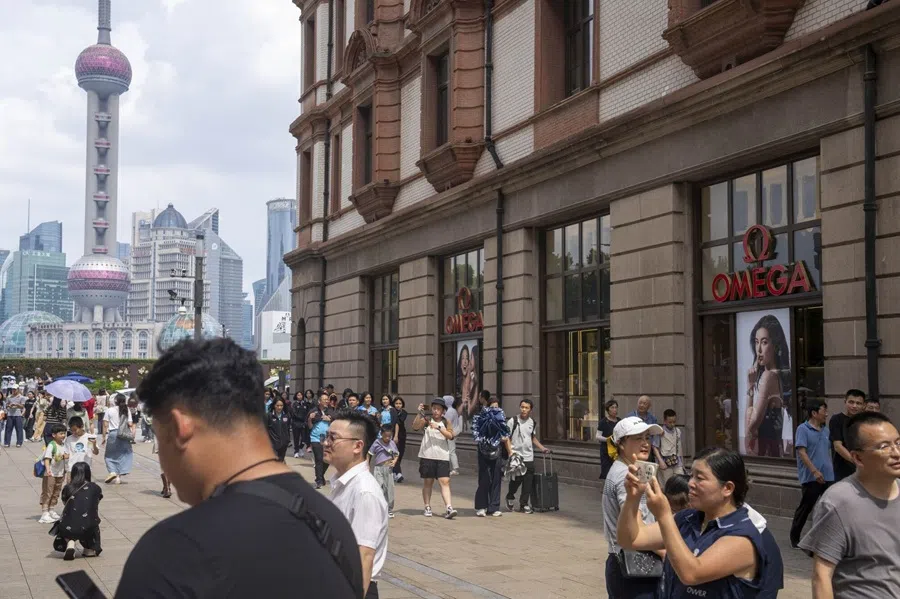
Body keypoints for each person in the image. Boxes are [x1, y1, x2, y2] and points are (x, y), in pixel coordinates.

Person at [115, 338, 363, 599]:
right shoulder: (331, 522)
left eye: (159, 435)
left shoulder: (174, 551)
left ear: (179, 428)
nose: (163, 459)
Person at [618, 447, 783, 599]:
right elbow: (632, 539)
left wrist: (664, 515)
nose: (690, 483)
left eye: (700, 478)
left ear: (727, 488)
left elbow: (691, 574)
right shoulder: (687, 518)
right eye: (691, 475)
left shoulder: (742, 535)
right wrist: (633, 497)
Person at [799, 412, 900, 599]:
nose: (896, 453)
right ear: (858, 458)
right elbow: (821, 576)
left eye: (898, 443)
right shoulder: (838, 502)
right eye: (884, 447)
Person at [325, 410, 389, 599]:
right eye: (326, 436)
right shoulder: (342, 483)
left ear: (357, 446)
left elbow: (364, 557)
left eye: (333, 438)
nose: (326, 443)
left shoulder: (364, 492)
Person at [601, 416, 663, 599]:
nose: (645, 443)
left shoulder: (625, 469)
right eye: (637, 438)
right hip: (636, 565)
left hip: (625, 563)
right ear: (621, 444)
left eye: (647, 438)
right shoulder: (627, 476)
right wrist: (667, 552)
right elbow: (636, 526)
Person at [745, 315, 792, 457]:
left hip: (766, 450)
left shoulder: (768, 376)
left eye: (764, 342)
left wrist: (750, 386)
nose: (758, 349)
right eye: (756, 342)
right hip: (774, 448)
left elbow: (750, 426)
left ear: (775, 345)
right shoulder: (778, 374)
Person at [790, 398, 833, 548]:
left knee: (830, 507)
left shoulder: (826, 430)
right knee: (805, 508)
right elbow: (802, 452)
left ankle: (826, 538)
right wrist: (814, 471)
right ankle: (795, 537)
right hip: (811, 477)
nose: (826, 414)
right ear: (814, 413)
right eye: (824, 411)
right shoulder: (803, 429)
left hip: (828, 475)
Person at [412, 397, 457, 519]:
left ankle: (449, 507)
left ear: (443, 411)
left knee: (445, 481)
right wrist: (418, 413)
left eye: (439, 409)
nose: (436, 411)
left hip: (442, 456)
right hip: (427, 455)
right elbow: (415, 426)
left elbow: (450, 436)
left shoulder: (446, 422)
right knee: (428, 482)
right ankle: (427, 506)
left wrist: (439, 427)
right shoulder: (426, 420)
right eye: (434, 408)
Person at [504, 398, 550, 513]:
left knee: (528, 482)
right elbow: (506, 438)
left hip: (529, 456)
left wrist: (542, 448)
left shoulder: (532, 422)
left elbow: (532, 438)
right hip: (517, 456)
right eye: (522, 407)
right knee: (516, 480)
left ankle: (524, 504)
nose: (524, 409)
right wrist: (511, 452)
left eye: (526, 408)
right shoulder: (512, 421)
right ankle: (510, 496)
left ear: (530, 410)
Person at [472, 390, 513, 517]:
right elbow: (476, 434)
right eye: (492, 407)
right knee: (484, 479)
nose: (494, 410)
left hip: (497, 451)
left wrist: (510, 451)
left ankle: (494, 507)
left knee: (496, 479)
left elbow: (505, 435)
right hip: (484, 450)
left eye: (497, 407)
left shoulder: (501, 418)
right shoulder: (480, 417)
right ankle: (481, 506)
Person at [56, 462, 103, 560]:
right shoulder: (95, 488)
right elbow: (95, 503)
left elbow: (65, 503)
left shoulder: (68, 488)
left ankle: (70, 542)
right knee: (92, 522)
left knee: (68, 520)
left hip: (69, 526)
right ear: (88, 473)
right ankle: (89, 549)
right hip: (88, 526)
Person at [829, 389, 866, 481]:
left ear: (863, 405)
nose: (854, 406)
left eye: (858, 403)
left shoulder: (865, 421)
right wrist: (856, 462)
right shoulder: (837, 419)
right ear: (845, 402)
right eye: (851, 402)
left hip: (864, 469)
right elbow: (838, 446)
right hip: (843, 469)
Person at [102, 394, 135, 484]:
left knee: (109, 455)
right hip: (124, 435)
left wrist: (104, 437)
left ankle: (112, 471)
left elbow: (105, 425)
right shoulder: (126, 410)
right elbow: (130, 424)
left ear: (115, 401)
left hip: (113, 434)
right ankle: (118, 477)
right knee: (124, 455)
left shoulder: (109, 410)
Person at [39, 424, 68, 524]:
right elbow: (47, 458)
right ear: (54, 435)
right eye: (61, 433)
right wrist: (48, 470)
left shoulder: (63, 445)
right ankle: (44, 513)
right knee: (48, 492)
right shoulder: (52, 445)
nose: (63, 435)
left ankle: (51, 509)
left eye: (64, 433)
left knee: (56, 492)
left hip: (60, 473)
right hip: (51, 473)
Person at [368, 424, 399, 518]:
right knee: (378, 488)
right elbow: (369, 454)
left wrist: (394, 461)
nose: (387, 438)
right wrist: (367, 465)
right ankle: (378, 508)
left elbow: (397, 454)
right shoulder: (377, 442)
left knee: (389, 489)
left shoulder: (392, 443)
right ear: (381, 434)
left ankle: (389, 509)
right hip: (378, 468)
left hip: (388, 469)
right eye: (386, 436)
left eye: (389, 436)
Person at [308, 392, 334, 488]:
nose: (327, 401)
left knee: (327, 459)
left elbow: (335, 420)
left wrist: (329, 419)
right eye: (324, 399)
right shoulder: (314, 411)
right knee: (319, 459)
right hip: (316, 438)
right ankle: (319, 480)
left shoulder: (330, 410)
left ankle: (320, 475)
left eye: (327, 399)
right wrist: (310, 419)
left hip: (327, 438)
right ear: (319, 401)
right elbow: (310, 426)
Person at [628, 395, 661, 463]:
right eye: (640, 403)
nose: (642, 405)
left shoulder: (652, 419)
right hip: (633, 450)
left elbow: (655, 437)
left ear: (649, 406)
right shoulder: (630, 417)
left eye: (644, 403)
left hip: (647, 451)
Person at [658, 409, 684, 486]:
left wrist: (682, 463)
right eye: (670, 422)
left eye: (674, 422)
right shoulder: (660, 431)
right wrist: (660, 461)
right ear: (665, 421)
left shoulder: (678, 431)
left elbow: (680, 447)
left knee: (680, 483)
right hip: (665, 461)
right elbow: (655, 446)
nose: (672, 424)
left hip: (677, 461)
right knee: (667, 485)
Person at [597, 399, 619, 480]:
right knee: (607, 471)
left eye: (616, 407)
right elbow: (598, 436)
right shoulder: (603, 422)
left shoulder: (619, 421)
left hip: (617, 451)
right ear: (608, 409)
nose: (614, 410)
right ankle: (607, 489)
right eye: (612, 408)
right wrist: (609, 439)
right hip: (606, 451)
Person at [445, 395, 463, 475]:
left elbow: (447, 422)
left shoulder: (449, 411)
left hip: (451, 433)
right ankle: (448, 467)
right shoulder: (453, 410)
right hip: (454, 432)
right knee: (450, 450)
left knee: (451, 451)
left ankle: (455, 469)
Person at [392, 396, 408, 483]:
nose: (398, 405)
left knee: (400, 453)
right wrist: (395, 436)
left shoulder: (404, 413)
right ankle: (398, 473)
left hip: (402, 435)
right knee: (395, 454)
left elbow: (399, 421)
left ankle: (394, 471)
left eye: (400, 403)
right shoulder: (391, 411)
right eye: (396, 403)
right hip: (392, 435)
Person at [290, 391, 309, 458]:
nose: (300, 396)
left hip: (303, 423)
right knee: (296, 438)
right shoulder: (294, 404)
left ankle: (300, 448)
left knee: (304, 438)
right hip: (296, 423)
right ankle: (296, 451)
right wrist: (302, 418)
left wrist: (305, 420)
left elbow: (307, 412)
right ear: (296, 396)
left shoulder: (305, 404)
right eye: (298, 395)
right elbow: (294, 414)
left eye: (301, 395)